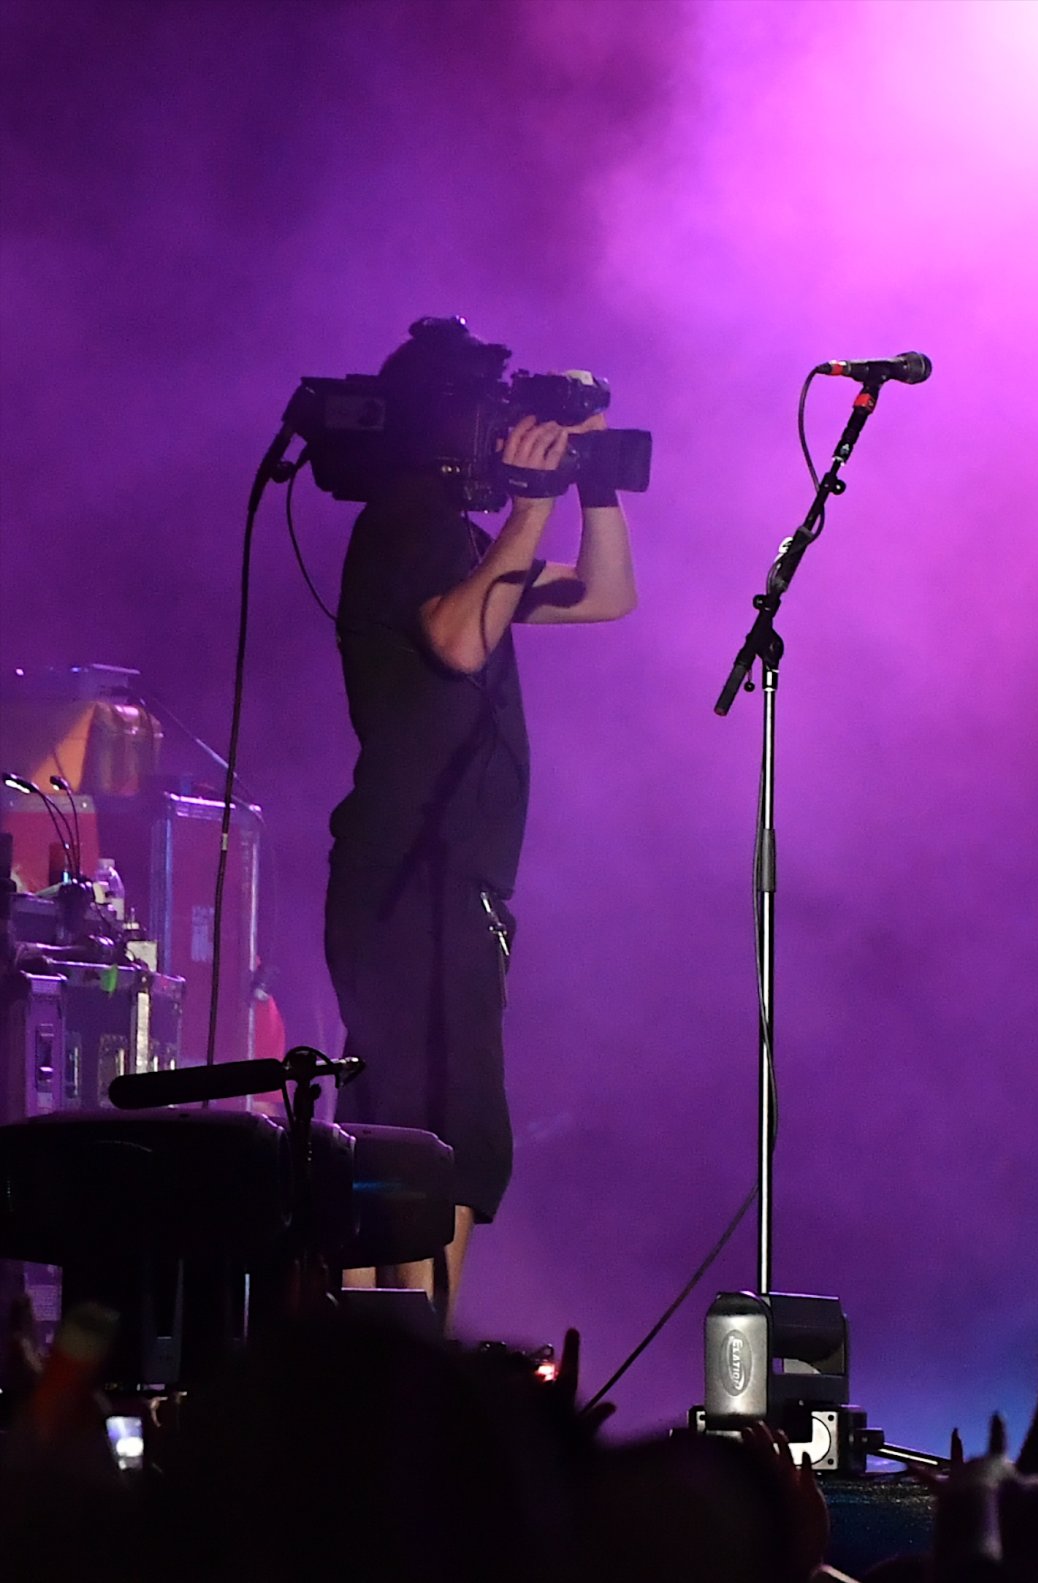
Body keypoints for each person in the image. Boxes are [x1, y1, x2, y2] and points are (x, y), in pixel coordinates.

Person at [325, 317, 638, 1324]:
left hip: (449, 877)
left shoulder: (456, 536)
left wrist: (588, 483)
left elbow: (606, 597)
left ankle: (387, 1371)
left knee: (434, 1128)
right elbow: (460, 641)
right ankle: (397, 1377)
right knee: (428, 1133)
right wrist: (531, 504)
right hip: (412, 871)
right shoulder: (405, 519)